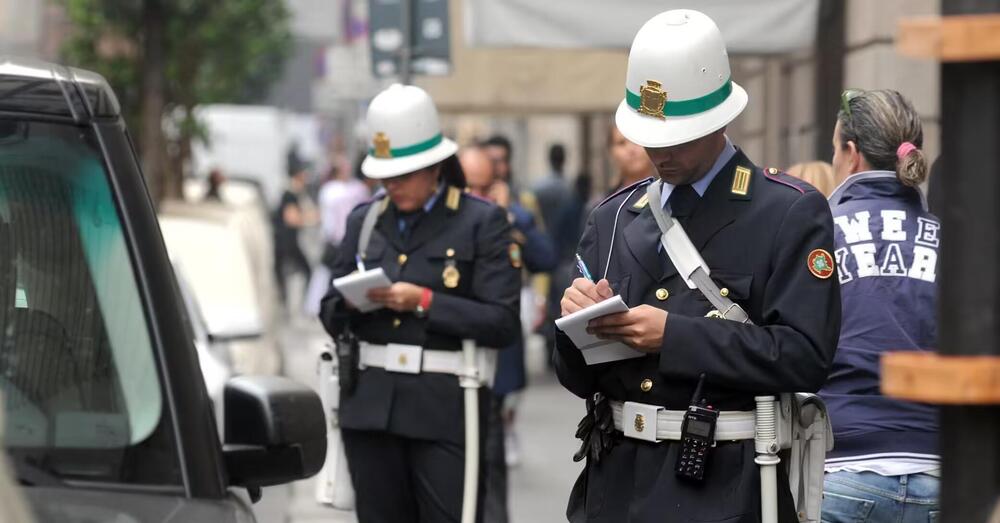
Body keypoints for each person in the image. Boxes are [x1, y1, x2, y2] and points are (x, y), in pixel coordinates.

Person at [553, 9, 840, 523]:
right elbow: (576, 377)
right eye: (651, 136)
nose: (660, 152)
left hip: (722, 482)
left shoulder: (786, 211)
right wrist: (576, 325)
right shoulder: (614, 216)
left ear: (721, 119)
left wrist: (674, 338)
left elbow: (805, 357)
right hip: (615, 481)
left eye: (678, 138)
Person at [319, 84, 521, 523]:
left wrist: (425, 301)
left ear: (434, 166)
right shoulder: (366, 220)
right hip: (369, 407)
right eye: (385, 176)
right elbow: (329, 310)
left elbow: (502, 321)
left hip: (444, 408)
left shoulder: (479, 221)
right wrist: (351, 304)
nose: (392, 185)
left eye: (404, 174)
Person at [819, 89, 940, 522]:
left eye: (834, 148)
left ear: (851, 154)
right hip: (938, 467)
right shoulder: (949, 236)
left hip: (844, 464)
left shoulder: (819, 233)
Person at [460, 145, 557, 522]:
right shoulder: (447, 221)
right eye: (471, 189)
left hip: (495, 350)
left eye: (485, 188)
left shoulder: (510, 216)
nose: (478, 198)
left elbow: (545, 258)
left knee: (489, 452)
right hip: (450, 356)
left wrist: (509, 221)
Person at [273, 166, 313, 308]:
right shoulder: (290, 194)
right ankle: (296, 307)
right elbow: (291, 219)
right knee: (304, 272)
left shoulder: (295, 193)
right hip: (287, 243)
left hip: (287, 242)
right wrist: (310, 219)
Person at [607, 124, 655, 195]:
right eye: (622, 143)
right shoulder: (605, 204)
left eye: (636, 140)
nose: (631, 149)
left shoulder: (671, 195)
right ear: (611, 152)